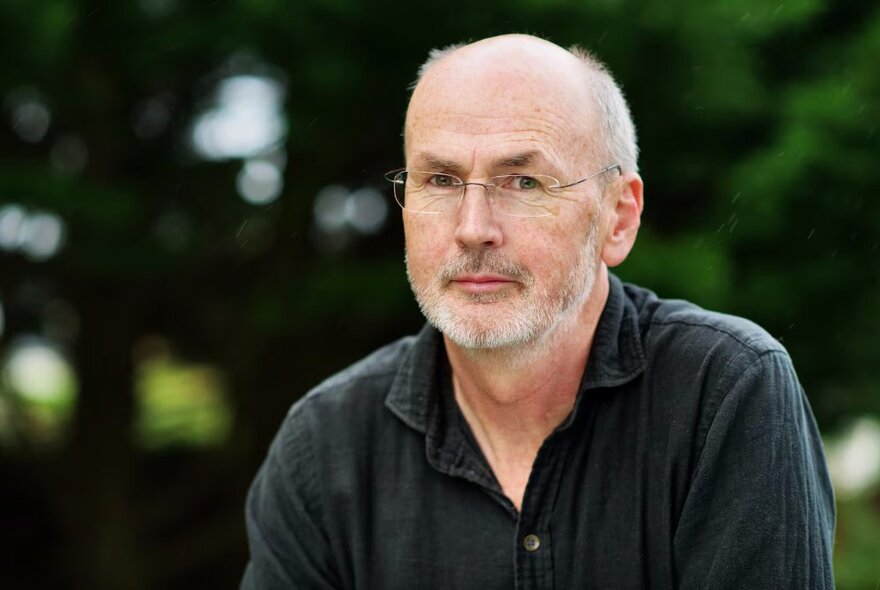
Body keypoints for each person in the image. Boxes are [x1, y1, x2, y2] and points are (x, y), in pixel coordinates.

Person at [241, 34, 835, 589]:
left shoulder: (724, 394)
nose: (473, 230)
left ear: (618, 217)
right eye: (441, 180)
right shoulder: (323, 448)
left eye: (522, 181)